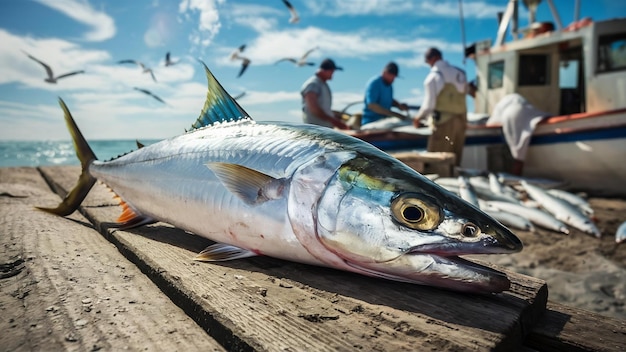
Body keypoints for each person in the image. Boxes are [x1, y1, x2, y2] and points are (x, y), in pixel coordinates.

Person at [469, 81, 551, 175]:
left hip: (511, 114)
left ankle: (516, 175)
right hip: (528, 110)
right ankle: (517, 174)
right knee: (519, 151)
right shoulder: (513, 100)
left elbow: (492, 124)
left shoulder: (501, 106)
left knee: (518, 154)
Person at [413, 47, 468, 166]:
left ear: (432, 59)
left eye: (428, 61)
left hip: (444, 124)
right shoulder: (460, 73)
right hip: (461, 123)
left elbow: (429, 105)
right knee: (455, 161)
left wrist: (418, 118)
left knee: (437, 162)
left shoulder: (432, 77)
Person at [300, 58, 349, 130]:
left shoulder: (322, 84)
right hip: (316, 132)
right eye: (332, 71)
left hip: (324, 130)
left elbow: (324, 108)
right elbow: (313, 108)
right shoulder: (313, 84)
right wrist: (334, 121)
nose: (333, 74)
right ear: (325, 70)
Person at [361, 62, 409, 126]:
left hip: (384, 121)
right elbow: (372, 105)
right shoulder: (375, 83)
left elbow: (388, 100)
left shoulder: (389, 86)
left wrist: (399, 105)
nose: (393, 79)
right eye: (392, 76)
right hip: (371, 122)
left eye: (394, 77)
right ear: (385, 72)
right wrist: (395, 114)